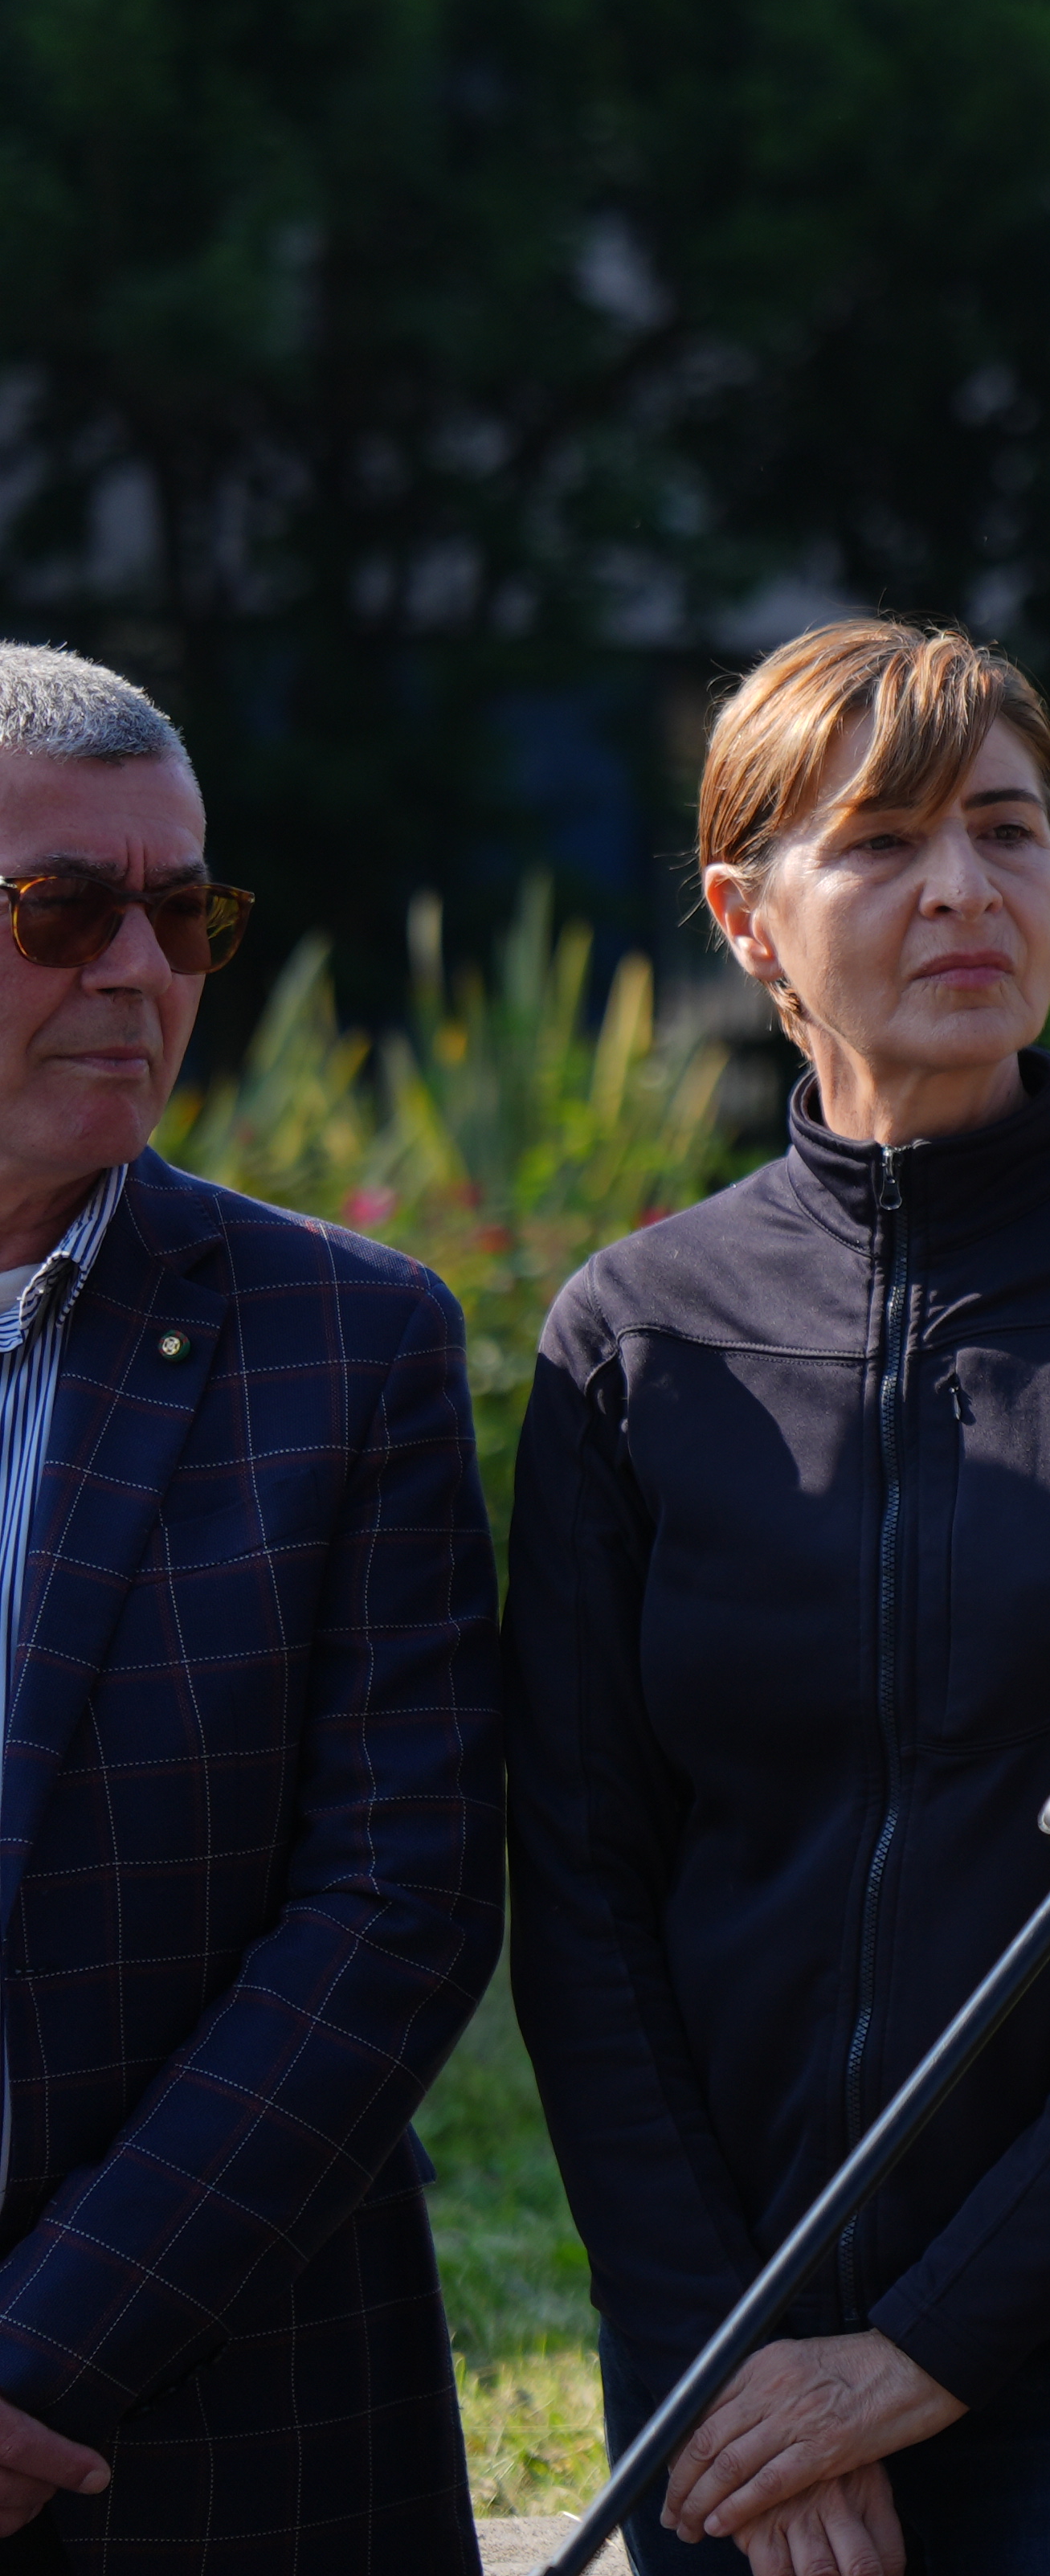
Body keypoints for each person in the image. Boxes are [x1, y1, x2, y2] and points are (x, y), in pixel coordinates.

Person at [506, 619, 1050, 2576]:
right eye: (883, 840)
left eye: (1010, 828)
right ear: (749, 916)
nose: (966, 888)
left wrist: (918, 2351)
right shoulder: (632, 1339)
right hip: (726, 2348)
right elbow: (578, 1890)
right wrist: (729, 2355)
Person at [0, 644, 504, 2566]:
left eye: (183, 912)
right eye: (62, 908)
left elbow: (398, 1899)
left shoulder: (342, 1339)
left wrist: (43, 2360)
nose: (137, 970)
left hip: (217, 2425)